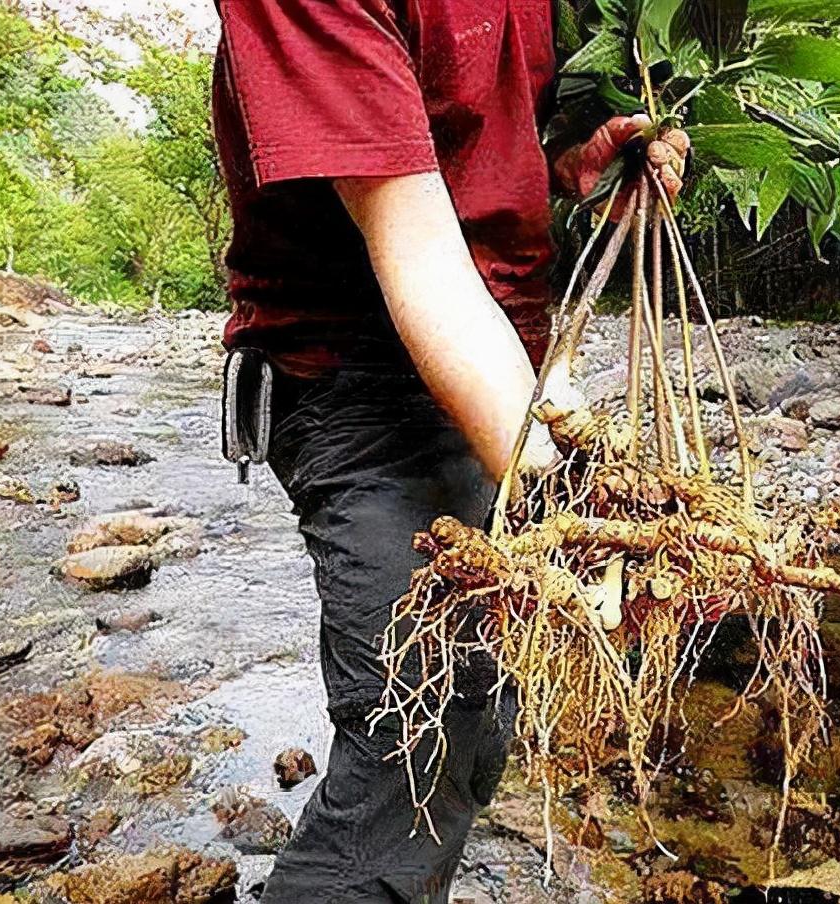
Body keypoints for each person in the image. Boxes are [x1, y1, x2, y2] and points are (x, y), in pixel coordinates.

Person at [210, 1, 684, 902]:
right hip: (354, 380)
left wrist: (570, 166)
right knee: (413, 733)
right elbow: (416, 247)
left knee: (474, 706)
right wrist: (581, 509)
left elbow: (473, 152)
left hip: (494, 358)